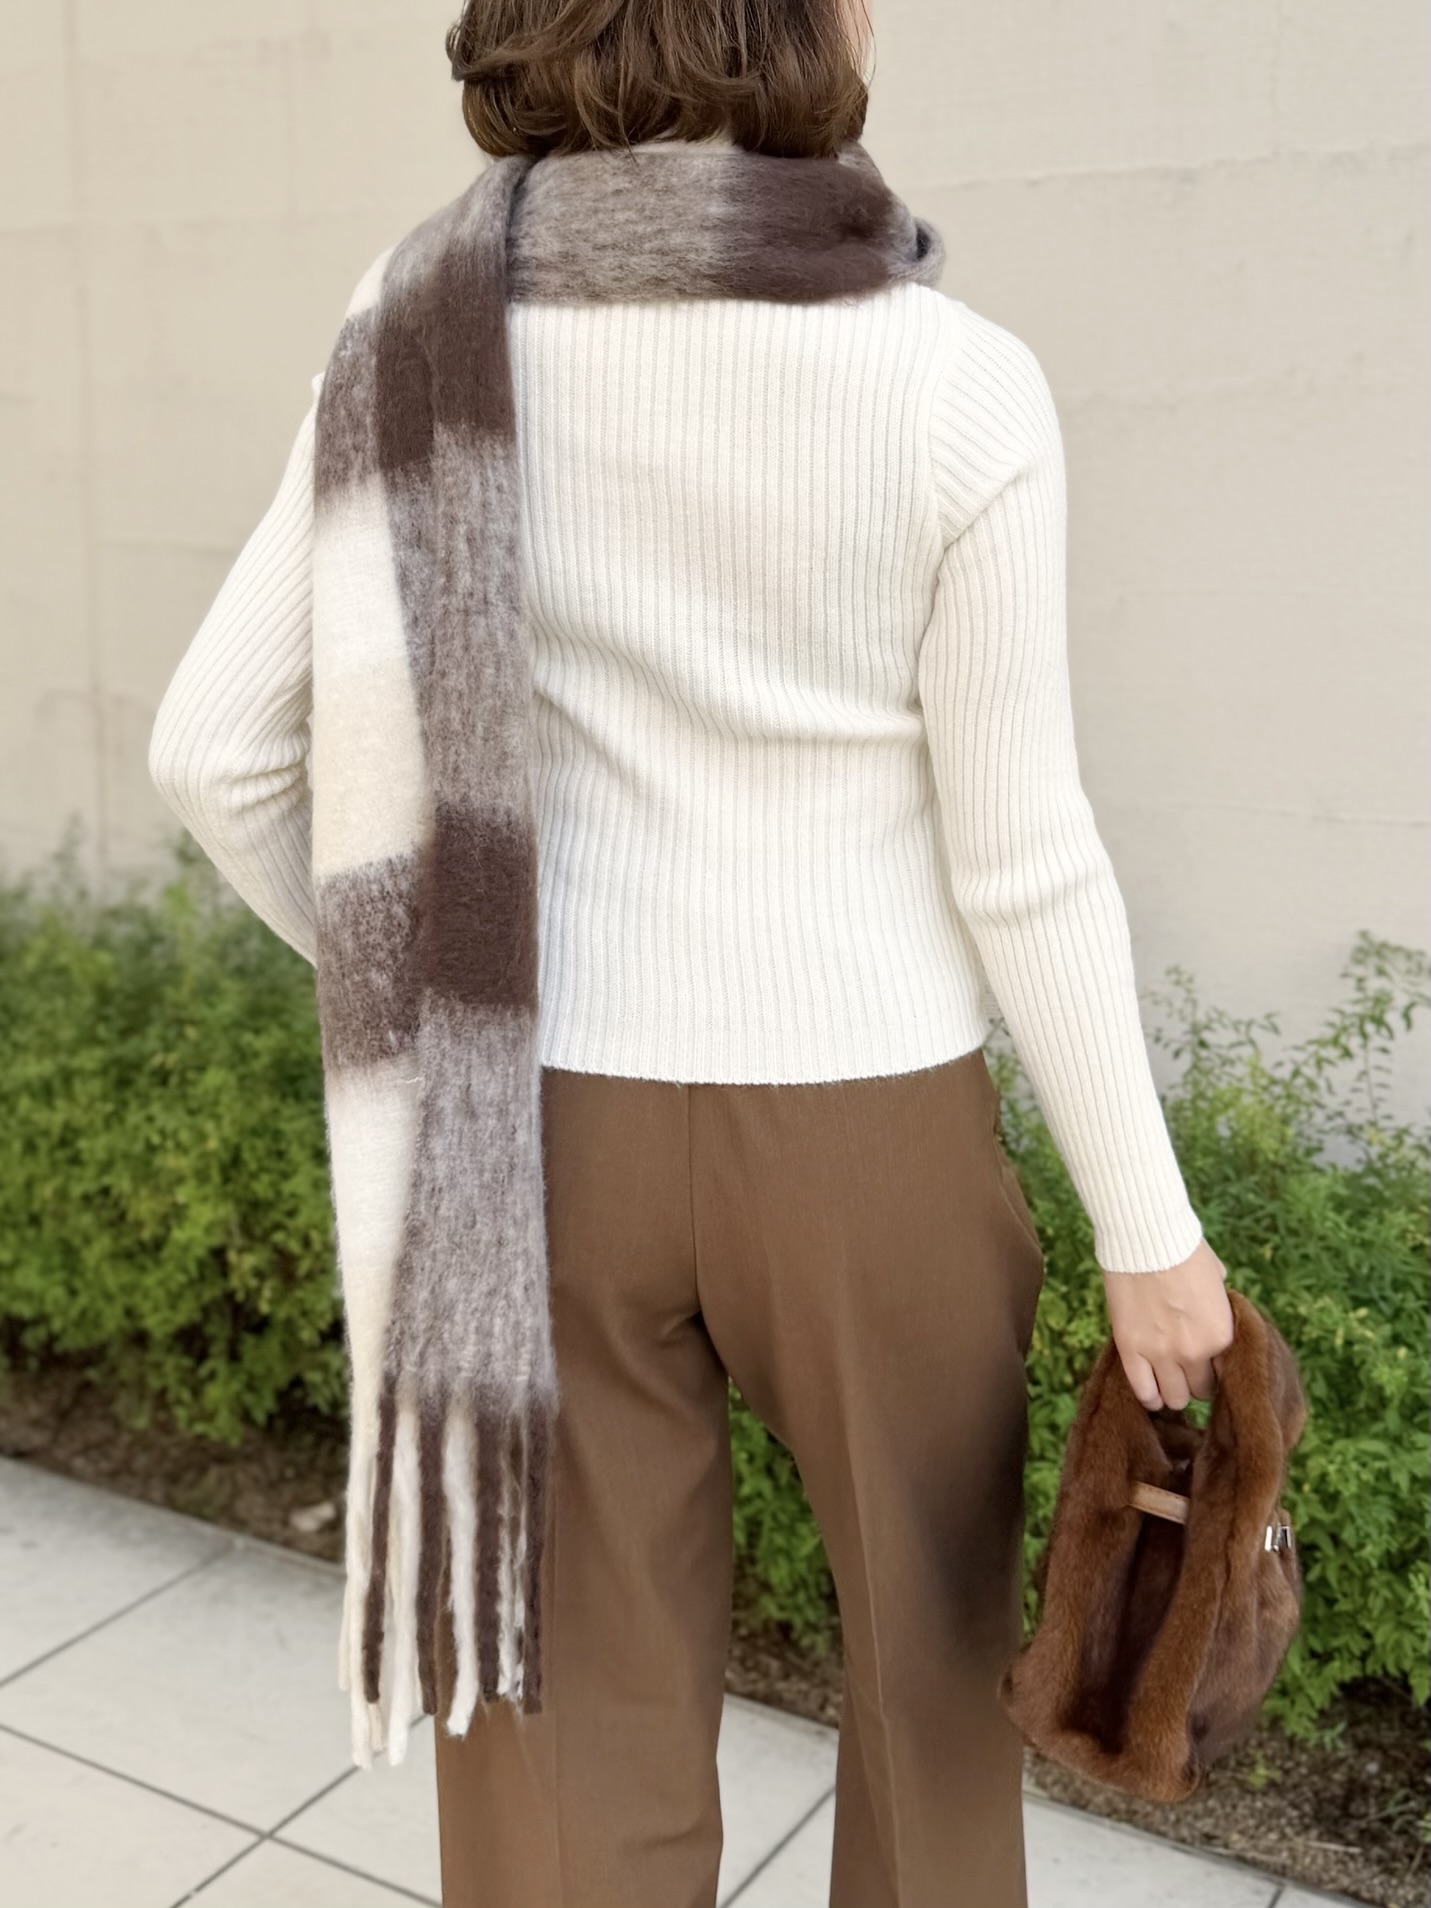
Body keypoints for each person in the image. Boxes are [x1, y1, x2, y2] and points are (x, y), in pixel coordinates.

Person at [147, 2, 1235, 1903]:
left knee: (565, 1732)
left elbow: (215, 752)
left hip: (542, 1128)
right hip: (872, 1133)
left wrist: (419, 989)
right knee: (932, 1691)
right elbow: (1025, 859)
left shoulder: (412, 332)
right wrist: (1150, 1233)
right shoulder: (951, 380)